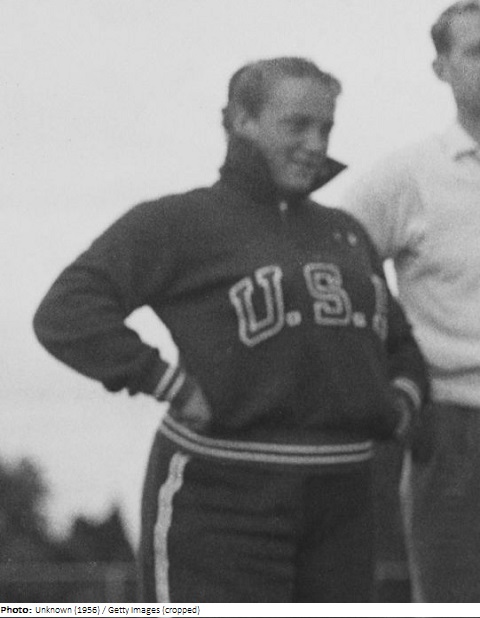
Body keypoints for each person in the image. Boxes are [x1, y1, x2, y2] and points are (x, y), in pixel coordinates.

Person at [33, 56, 428, 603]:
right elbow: (67, 312)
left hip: (344, 504)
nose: (316, 144)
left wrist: (399, 404)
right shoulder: (181, 221)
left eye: (326, 128)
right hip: (222, 502)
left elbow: (400, 345)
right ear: (242, 120)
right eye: (297, 125)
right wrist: (167, 383)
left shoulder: (345, 232)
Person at [341, 0, 480, 603]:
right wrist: (391, 376)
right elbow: (328, 263)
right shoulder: (410, 175)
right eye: (476, 52)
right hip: (453, 423)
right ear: (441, 68)